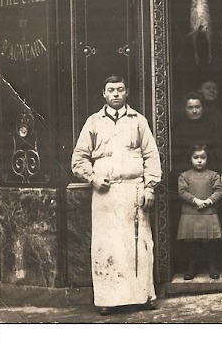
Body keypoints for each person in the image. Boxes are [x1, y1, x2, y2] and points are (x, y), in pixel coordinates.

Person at [70, 76, 162, 315]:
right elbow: (78, 159)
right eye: (111, 90)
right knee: (107, 245)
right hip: (105, 194)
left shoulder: (138, 121)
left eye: (120, 90)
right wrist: (92, 177)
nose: (116, 94)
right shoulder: (93, 122)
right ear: (104, 94)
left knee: (139, 244)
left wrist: (149, 187)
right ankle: (107, 299)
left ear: (127, 92)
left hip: (134, 191)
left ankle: (144, 295)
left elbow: (151, 156)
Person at [177, 145, 222, 280]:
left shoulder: (213, 175)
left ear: (207, 159)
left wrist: (209, 201)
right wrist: (195, 200)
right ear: (190, 158)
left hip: (208, 212)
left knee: (210, 242)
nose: (199, 160)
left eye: (203, 157)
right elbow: (182, 191)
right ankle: (191, 268)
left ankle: (212, 267)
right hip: (191, 213)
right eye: (196, 157)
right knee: (192, 244)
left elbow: (219, 190)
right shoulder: (184, 176)